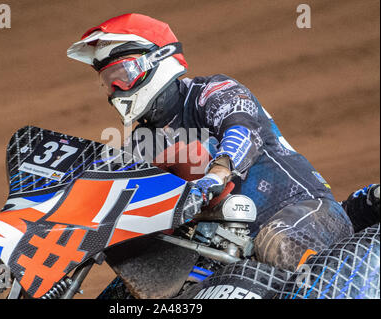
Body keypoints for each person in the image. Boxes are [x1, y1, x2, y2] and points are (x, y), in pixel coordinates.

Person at [67, 13, 379, 271]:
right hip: (224, 253)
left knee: (277, 242)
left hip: (305, 214)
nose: (116, 88)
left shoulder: (212, 92)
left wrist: (215, 175)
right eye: (109, 81)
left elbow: (242, 132)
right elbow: (111, 192)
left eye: (125, 73)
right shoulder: (140, 142)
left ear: (157, 61)